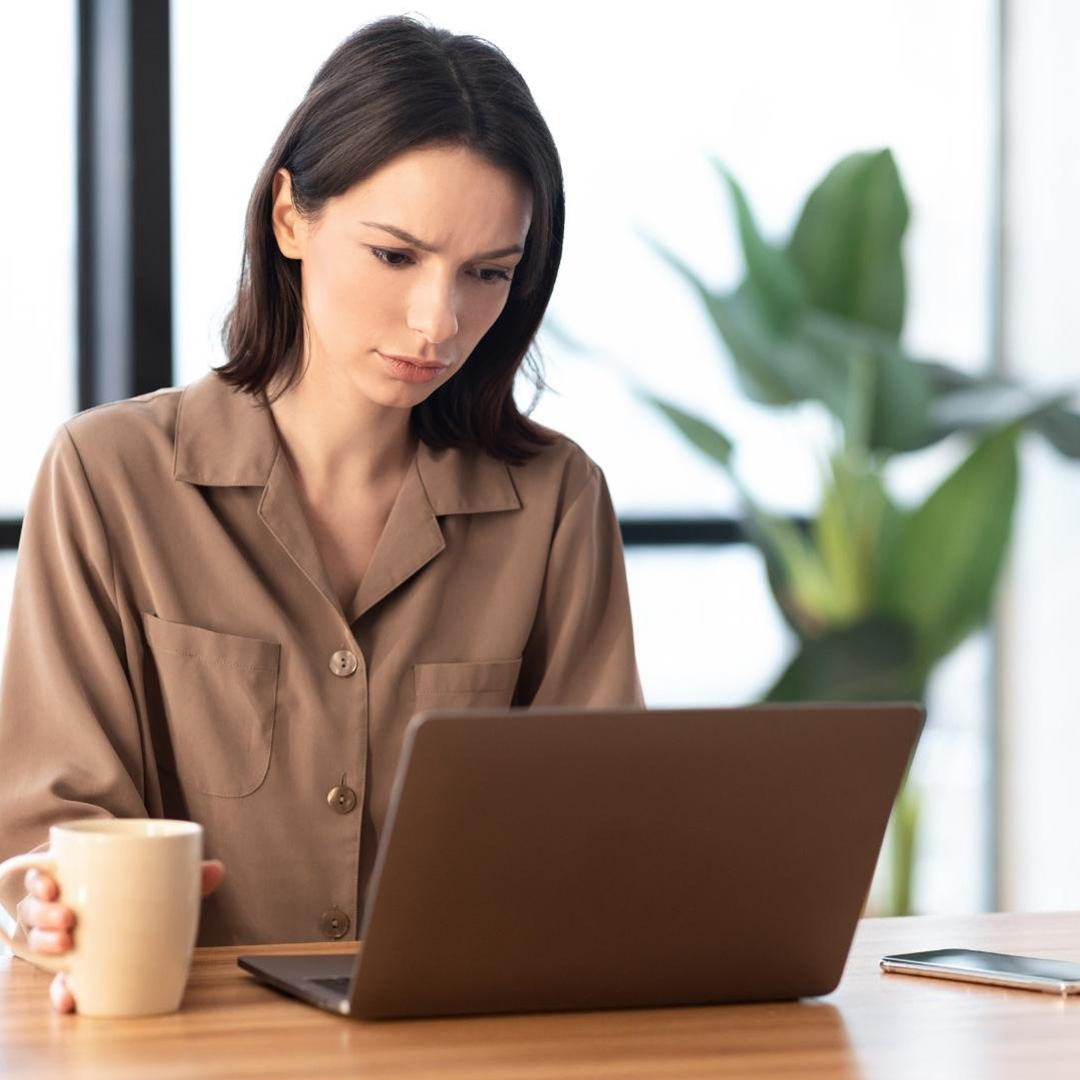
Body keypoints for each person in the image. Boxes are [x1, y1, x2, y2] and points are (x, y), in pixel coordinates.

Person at [0, 14, 643, 1014]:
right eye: (396, 256)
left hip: (468, 1046)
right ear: (291, 215)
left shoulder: (557, 503)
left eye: (489, 273)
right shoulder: (108, 477)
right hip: (186, 1044)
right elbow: (51, 828)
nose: (441, 322)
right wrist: (47, 905)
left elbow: (604, 835)